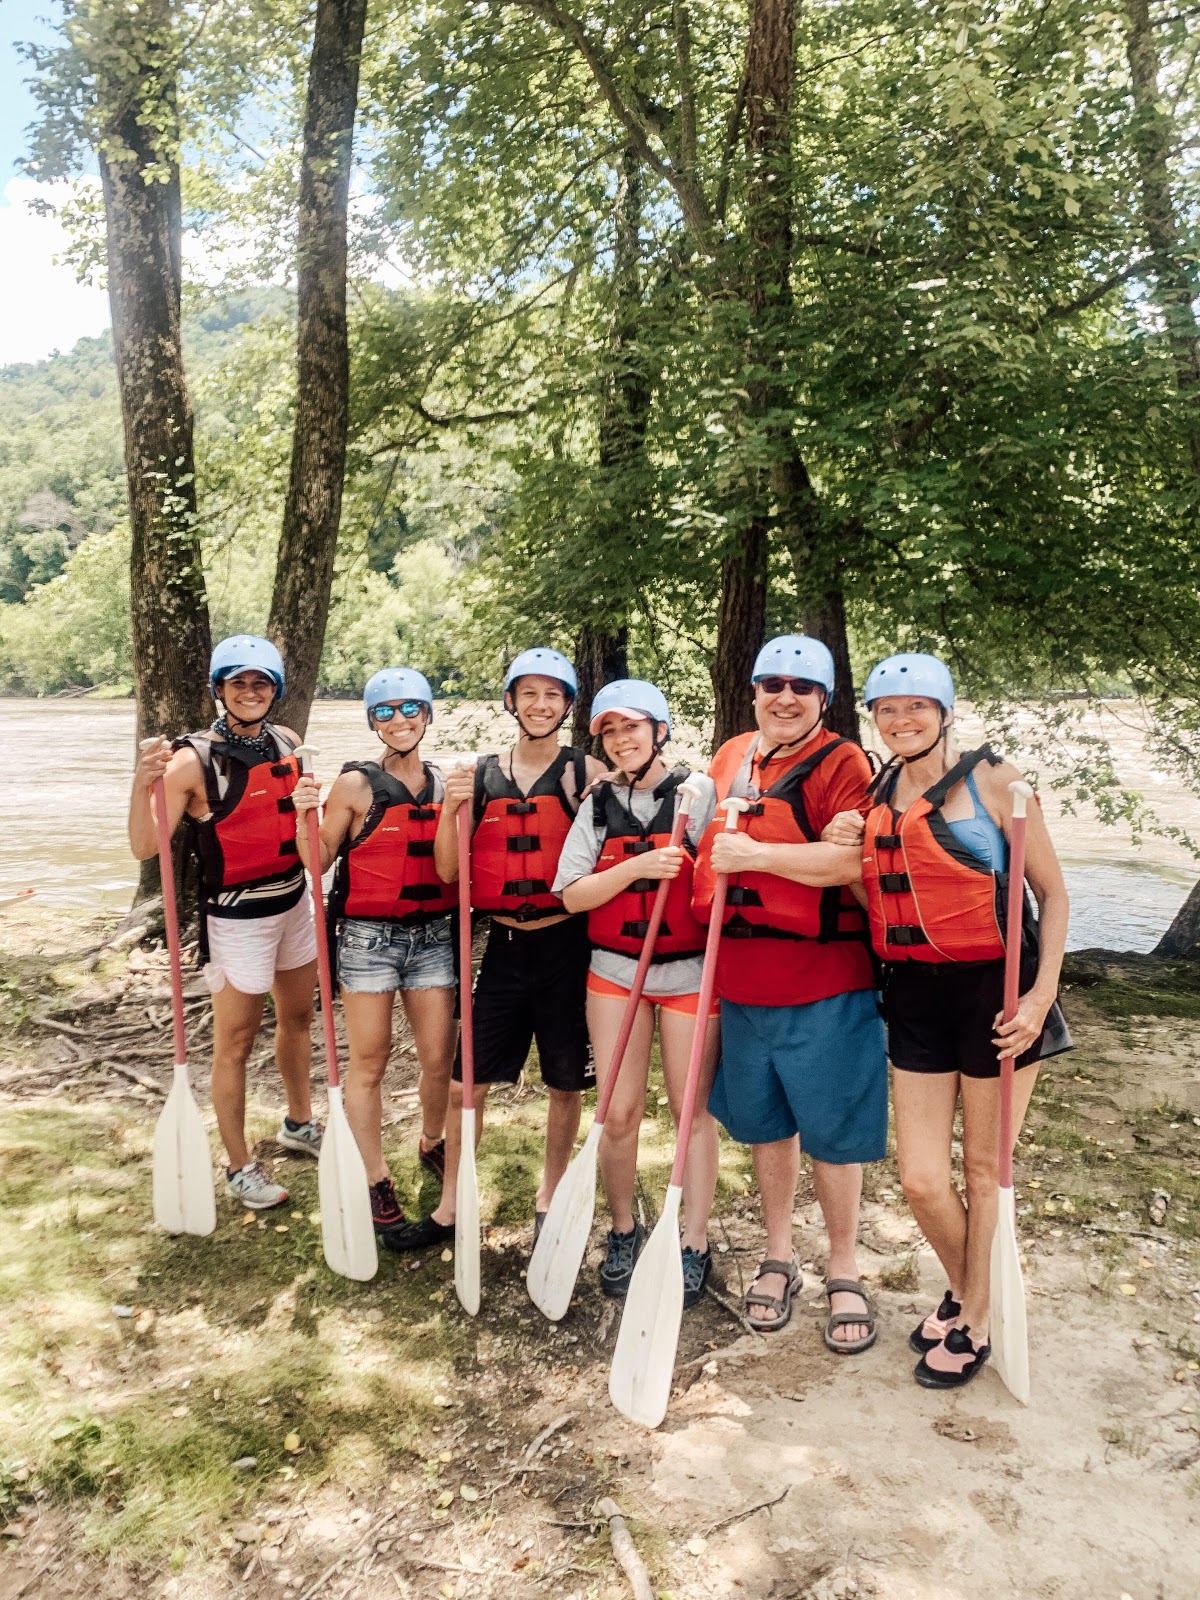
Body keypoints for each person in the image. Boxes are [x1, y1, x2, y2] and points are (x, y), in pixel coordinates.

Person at [798, 652, 1071, 1387]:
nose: (901, 720)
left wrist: (1041, 999)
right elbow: (878, 898)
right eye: (888, 710)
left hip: (998, 992)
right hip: (914, 992)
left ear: (945, 711)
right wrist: (844, 851)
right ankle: (974, 1291)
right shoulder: (881, 790)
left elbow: (1055, 896)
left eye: (917, 707)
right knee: (921, 1178)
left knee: (985, 1172)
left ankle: (975, 1319)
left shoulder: (999, 782)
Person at [693, 634, 888, 1348]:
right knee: (766, 1126)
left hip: (825, 979)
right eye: (771, 683)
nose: (784, 696)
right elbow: (701, 841)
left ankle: (844, 1267)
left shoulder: (844, 763)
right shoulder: (730, 756)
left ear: (824, 700)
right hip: (743, 980)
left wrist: (759, 855)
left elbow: (853, 861)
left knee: (833, 1134)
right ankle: (780, 1256)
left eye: (802, 688)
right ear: (751, 691)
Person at [383, 648, 607, 1250]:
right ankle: (452, 1204)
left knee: (565, 1085)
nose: (540, 705)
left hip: (567, 948)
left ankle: (551, 1197)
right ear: (510, 701)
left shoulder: (586, 774)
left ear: (567, 705)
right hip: (505, 948)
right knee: (464, 1086)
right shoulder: (480, 775)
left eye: (552, 695)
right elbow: (451, 871)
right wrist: (454, 806)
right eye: (528, 693)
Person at [128, 635, 321, 1211]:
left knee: (297, 1020)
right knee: (234, 1043)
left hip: (294, 902)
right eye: (238, 682)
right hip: (237, 918)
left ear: (275, 690)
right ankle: (239, 1165)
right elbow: (144, 845)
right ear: (220, 689)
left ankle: (299, 1123)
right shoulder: (191, 761)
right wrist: (142, 782)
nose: (250, 692)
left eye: (261, 682)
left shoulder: (286, 742)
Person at [553, 680, 720, 1305]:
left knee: (689, 1111)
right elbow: (571, 894)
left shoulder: (697, 795)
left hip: (688, 973)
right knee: (618, 1112)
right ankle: (623, 1228)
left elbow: (724, 871)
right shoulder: (596, 806)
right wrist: (635, 868)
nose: (623, 741)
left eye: (633, 728)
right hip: (616, 973)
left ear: (659, 731)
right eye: (611, 732)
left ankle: (695, 1239)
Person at [292, 668, 457, 1245]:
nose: (399, 720)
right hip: (368, 939)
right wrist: (300, 814)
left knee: (440, 1058)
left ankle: (432, 1141)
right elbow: (317, 861)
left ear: (428, 715)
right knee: (371, 1062)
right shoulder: (355, 785)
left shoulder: (445, 785)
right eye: (384, 712)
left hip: (433, 935)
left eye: (410, 708)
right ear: (371, 722)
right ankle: (374, 1177)